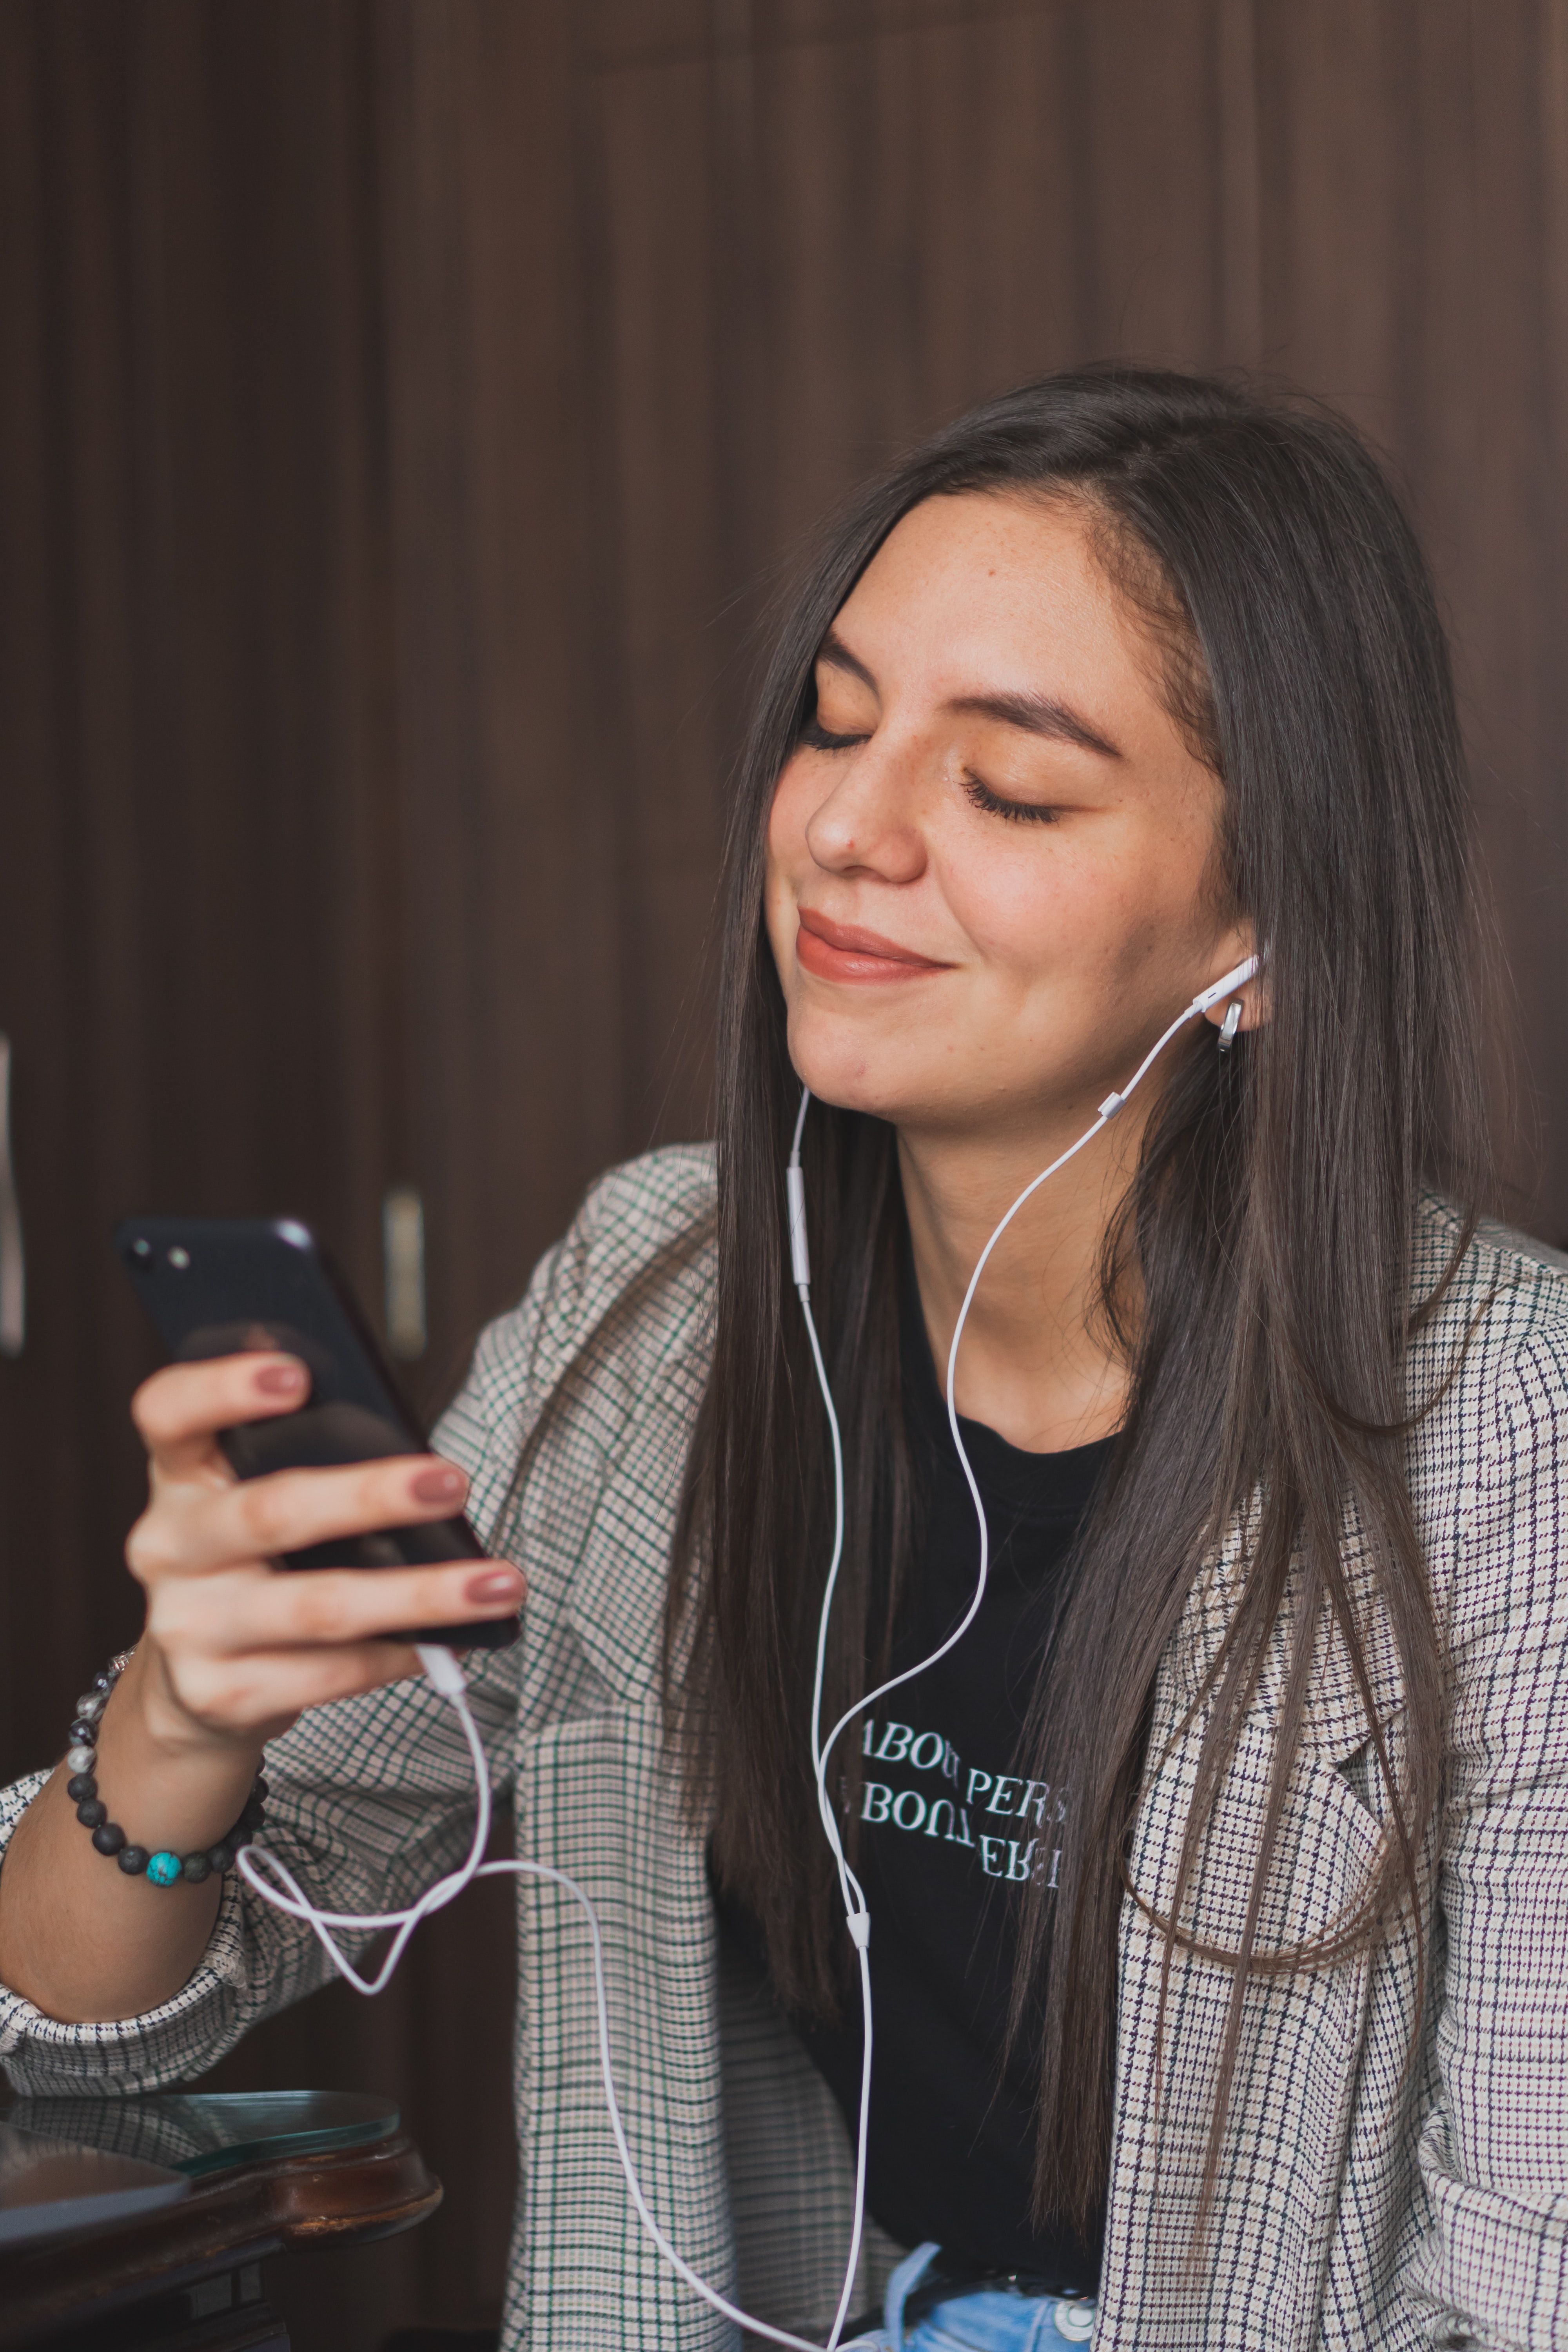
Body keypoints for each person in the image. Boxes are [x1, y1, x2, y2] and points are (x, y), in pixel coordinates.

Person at [1, 366, 1565, 2352]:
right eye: (835, 724)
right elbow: (72, 2030)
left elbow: (1519, 2295)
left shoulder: (1509, 1445)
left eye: (1007, 785)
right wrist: (180, 1724)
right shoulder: (656, 1304)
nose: (845, 827)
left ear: (1259, 924)